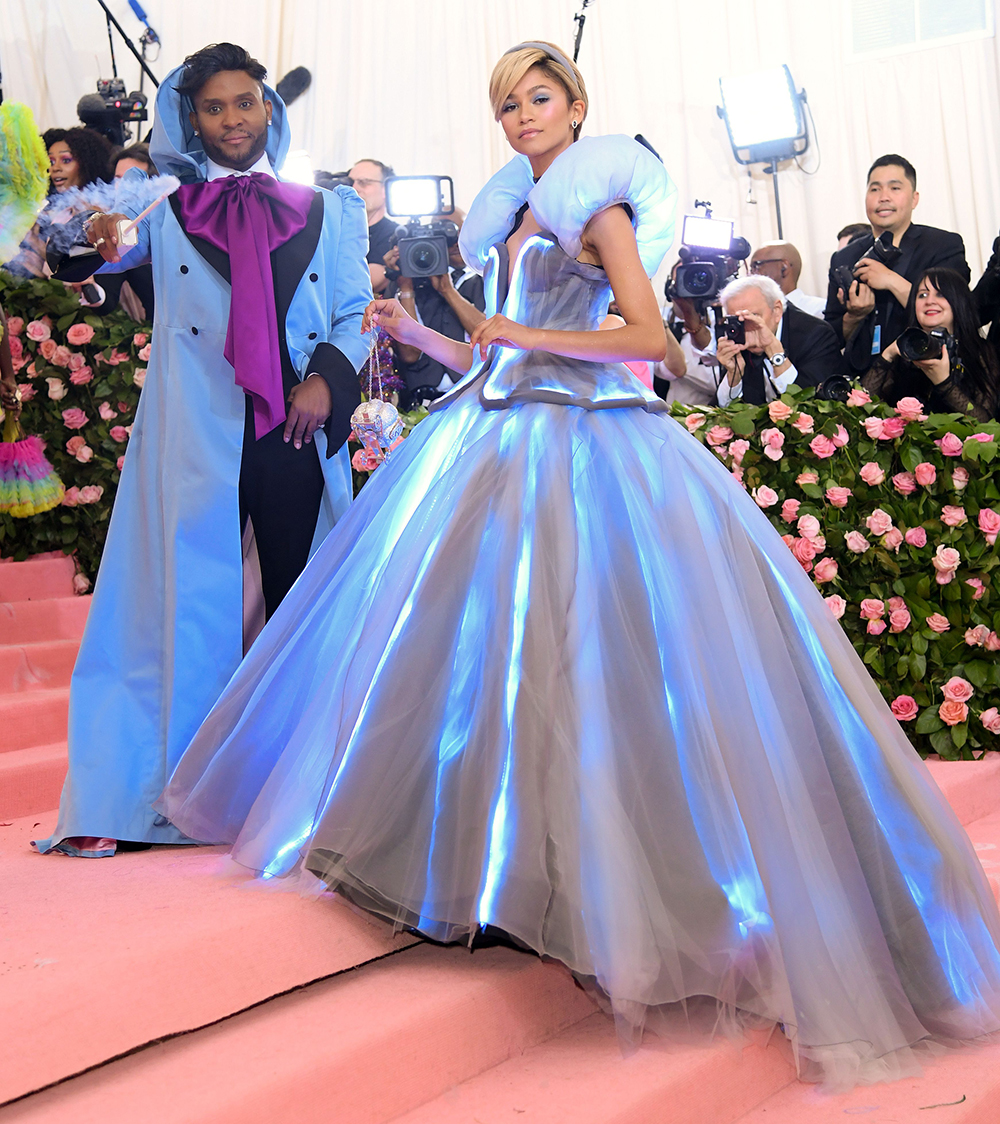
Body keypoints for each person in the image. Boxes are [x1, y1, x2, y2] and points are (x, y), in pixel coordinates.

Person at [159, 42, 1000, 1090]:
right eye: (507, 103)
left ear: (578, 105)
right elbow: (505, 353)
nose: (521, 116)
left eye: (539, 97)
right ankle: (484, 876)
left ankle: (603, 893)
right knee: (481, 675)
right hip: (492, 434)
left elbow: (646, 335)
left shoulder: (597, 208)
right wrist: (430, 332)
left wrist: (517, 330)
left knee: (588, 673)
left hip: (590, 448)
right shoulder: (513, 217)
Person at [34, 42, 372, 859]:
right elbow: (80, 253)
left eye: (245, 103)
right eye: (214, 107)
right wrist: (94, 231)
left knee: (303, 606)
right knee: (179, 611)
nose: (231, 120)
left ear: (269, 110)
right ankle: (162, 796)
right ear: (192, 119)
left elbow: (356, 311)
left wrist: (326, 379)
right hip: (195, 437)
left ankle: (306, 790)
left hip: (294, 431)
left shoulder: (328, 209)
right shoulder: (162, 204)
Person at [824, 155, 969, 376]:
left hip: (923, 374)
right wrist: (853, 316)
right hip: (860, 380)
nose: (883, 197)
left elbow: (958, 313)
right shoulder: (843, 257)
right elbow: (830, 336)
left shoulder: (943, 245)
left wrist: (891, 281)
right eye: (875, 189)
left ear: (914, 199)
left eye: (895, 188)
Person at [863, 268, 1000, 422]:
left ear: (958, 301)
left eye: (940, 294)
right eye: (922, 295)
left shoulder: (981, 351)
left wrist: (943, 383)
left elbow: (985, 422)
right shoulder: (904, 352)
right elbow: (861, 407)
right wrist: (887, 355)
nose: (929, 301)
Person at [383, 207, 488, 404]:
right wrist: (406, 287)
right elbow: (409, 354)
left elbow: (489, 339)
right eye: (446, 234)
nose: (455, 241)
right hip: (419, 401)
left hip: (475, 394)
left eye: (459, 231)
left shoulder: (486, 278)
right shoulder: (405, 283)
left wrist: (448, 290)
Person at [715, 274, 845, 406]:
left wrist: (774, 351)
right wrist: (733, 377)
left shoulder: (816, 335)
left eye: (754, 316)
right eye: (737, 320)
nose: (747, 327)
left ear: (777, 310)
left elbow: (812, 406)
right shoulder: (738, 338)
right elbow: (723, 414)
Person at [3, 126, 113, 277]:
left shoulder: (98, 211)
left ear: (88, 162)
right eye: (51, 161)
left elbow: (79, 267)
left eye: (66, 160)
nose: (55, 168)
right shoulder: (50, 209)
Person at [349, 158, 396, 295]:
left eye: (364, 183)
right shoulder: (332, 229)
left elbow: (363, 284)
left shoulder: (395, 234)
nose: (354, 188)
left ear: (385, 190)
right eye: (350, 182)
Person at [749, 241, 825, 316]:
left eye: (757, 265)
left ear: (784, 267)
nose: (751, 274)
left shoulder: (819, 310)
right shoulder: (751, 312)